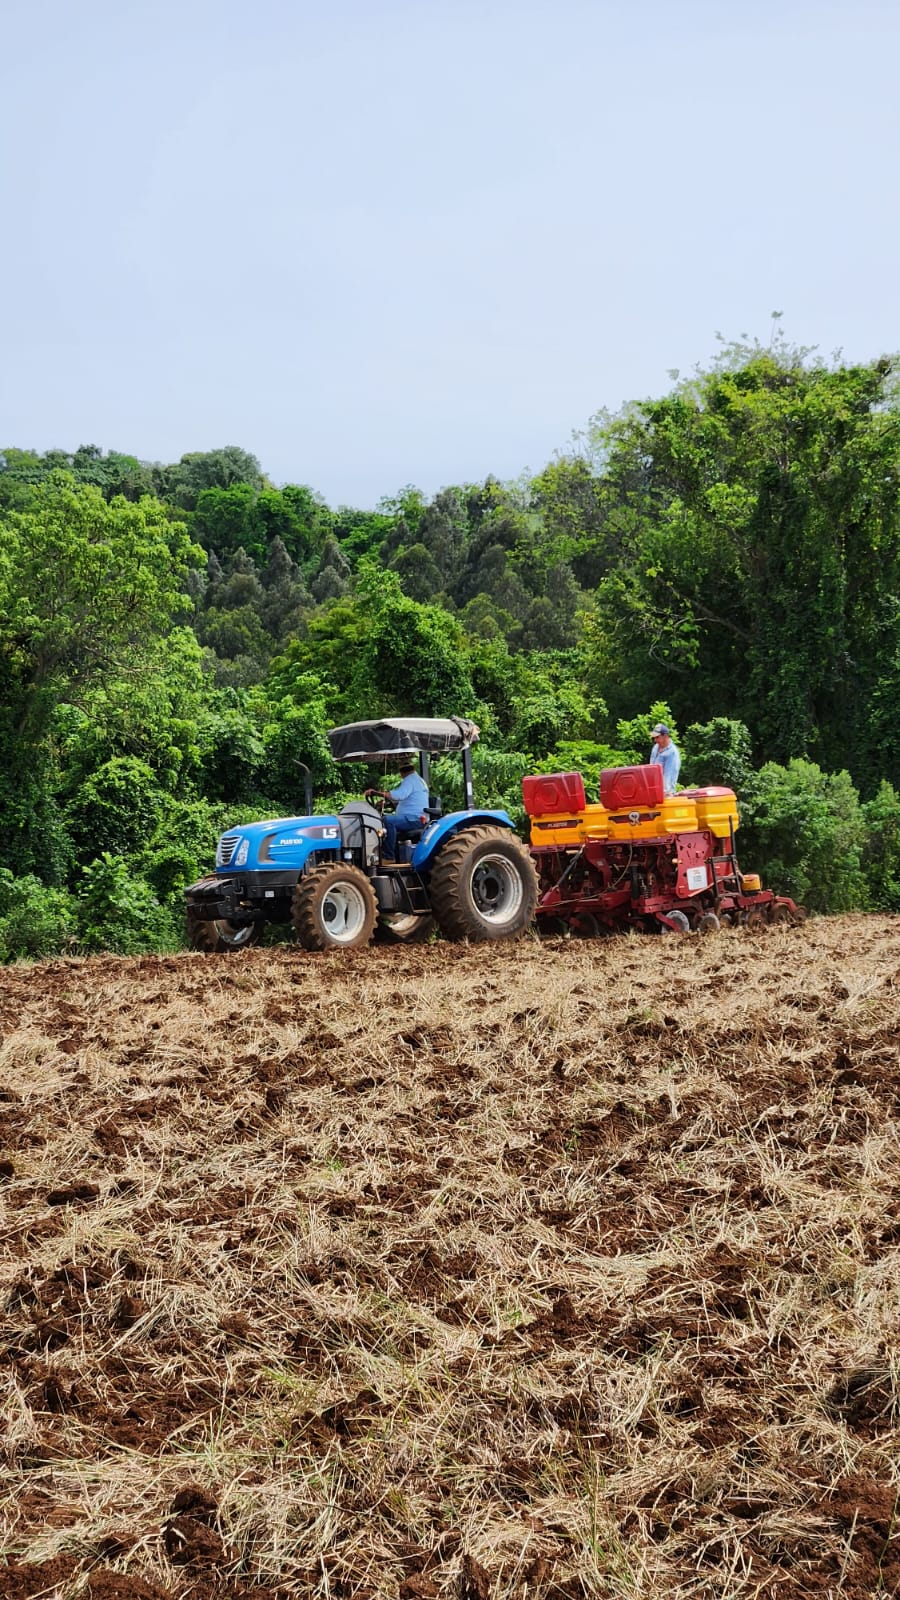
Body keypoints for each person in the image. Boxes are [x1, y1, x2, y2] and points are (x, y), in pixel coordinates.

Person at [366, 759, 430, 857]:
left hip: (415, 819)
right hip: (414, 817)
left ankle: (388, 855)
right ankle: (394, 854)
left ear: (402, 773)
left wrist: (376, 793)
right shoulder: (419, 780)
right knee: (387, 819)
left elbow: (398, 795)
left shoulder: (410, 780)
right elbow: (405, 799)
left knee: (388, 820)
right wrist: (386, 803)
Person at [649, 722, 681, 795]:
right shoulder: (655, 748)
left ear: (665, 736)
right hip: (654, 791)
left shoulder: (672, 753)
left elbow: (668, 776)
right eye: (654, 738)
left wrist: (664, 793)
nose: (655, 740)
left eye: (657, 737)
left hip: (666, 794)